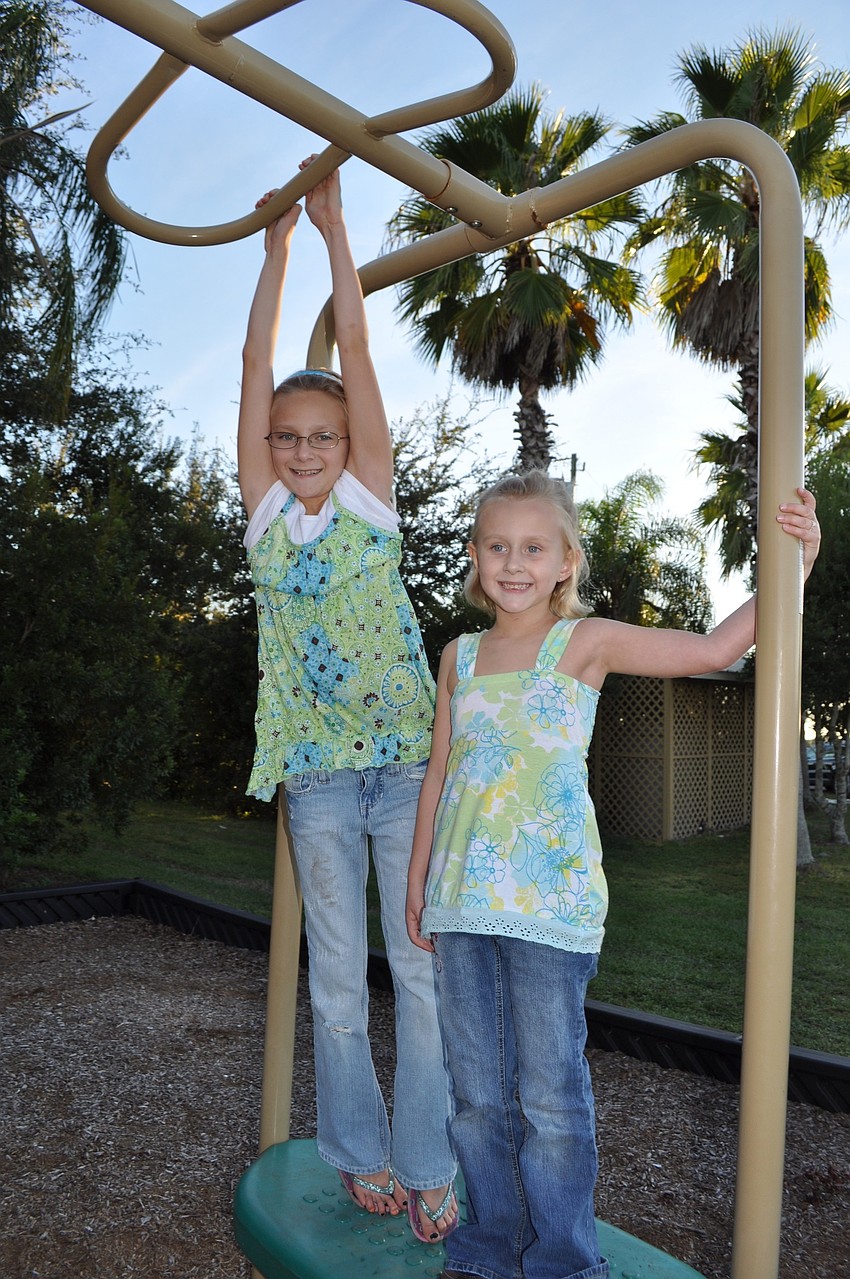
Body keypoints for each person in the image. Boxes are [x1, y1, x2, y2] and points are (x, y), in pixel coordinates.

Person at [406, 469, 821, 1279]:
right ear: (474, 554)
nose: (514, 562)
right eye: (498, 545)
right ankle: (488, 1249)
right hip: (461, 905)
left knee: (552, 1101)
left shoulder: (584, 642)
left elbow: (713, 647)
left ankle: (564, 1262)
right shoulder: (456, 656)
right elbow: (438, 776)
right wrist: (419, 879)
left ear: (566, 559)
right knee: (477, 1096)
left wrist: (794, 567)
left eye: (534, 547)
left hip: (549, 909)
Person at [238, 156, 456, 1241]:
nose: (306, 448)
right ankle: (359, 1155)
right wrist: (274, 254)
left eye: (321, 434)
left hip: (406, 763)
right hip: (319, 777)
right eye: (289, 437)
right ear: (270, 454)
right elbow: (253, 365)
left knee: (416, 968)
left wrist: (334, 235)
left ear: (348, 447)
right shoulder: (266, 518)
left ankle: (429, 1161)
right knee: (336, 977)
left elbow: (356, 352)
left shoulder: (370, 501)